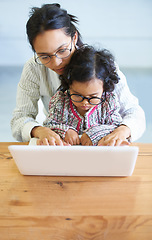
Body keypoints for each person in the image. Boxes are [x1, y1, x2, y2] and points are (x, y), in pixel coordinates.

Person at [11, 3, 146, 146]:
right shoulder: (33, 68)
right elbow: (20, 118)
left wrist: (122, 131)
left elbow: (133, 112)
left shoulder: (99, 66)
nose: (56, 63)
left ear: (74, 37)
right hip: (61, 147)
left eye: (62, 50)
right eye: (44, 56)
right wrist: (39, 131)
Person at [38, 45, 126, 146]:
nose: (84, 102)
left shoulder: (108, 102)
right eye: (77, 95)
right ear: (68, 85)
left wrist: (94, 133)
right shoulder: (60, 101)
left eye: (93, 97)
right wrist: (66, 131)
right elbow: (49, 125)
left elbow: (116, 127)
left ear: (104, 88)